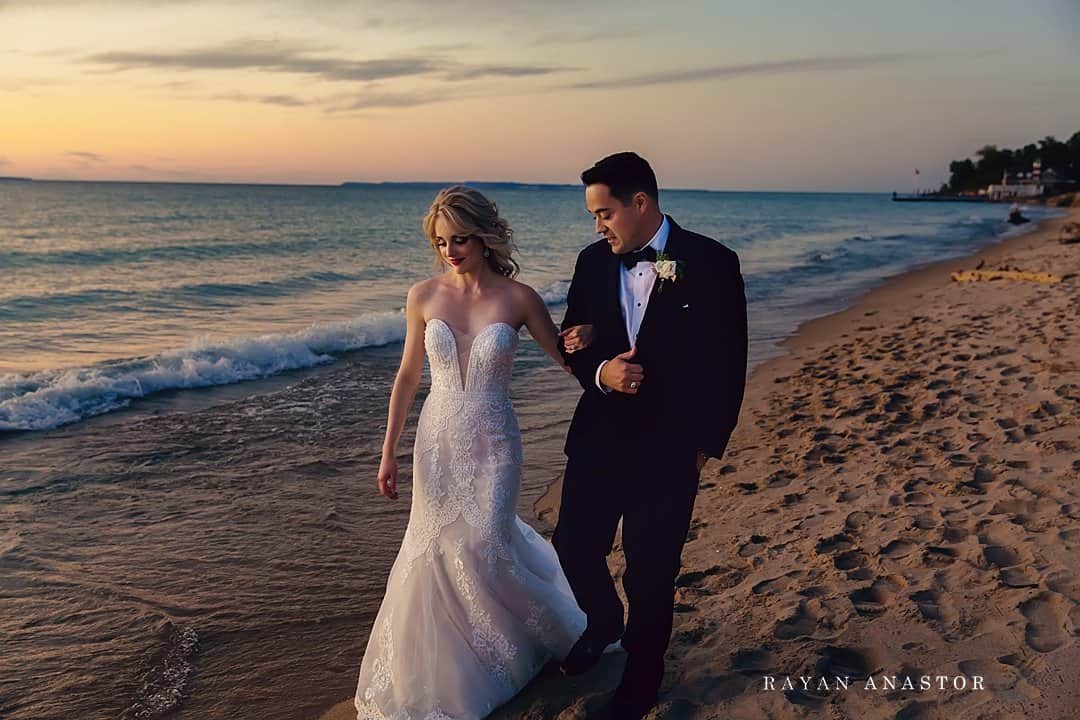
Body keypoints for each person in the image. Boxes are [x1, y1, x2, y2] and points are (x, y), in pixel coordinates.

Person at [353, 186, 594, 720]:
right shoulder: (422, 295)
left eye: (461, 239)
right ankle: (453, 669)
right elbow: (409, 376)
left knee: (488, 544)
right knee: (436, 548)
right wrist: (387, 451)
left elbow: (568, 360)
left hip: (494, 438)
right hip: (436, 438)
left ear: (485, 238)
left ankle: (542, 640)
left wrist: (595, 351)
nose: (451, 250)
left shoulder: (519, 298)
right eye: (441, 241)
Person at [553, 152, 748, 718]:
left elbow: (729, 360)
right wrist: (597, 369)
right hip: (598, 436)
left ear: (641, 203)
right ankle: (603, 621)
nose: (597, 226)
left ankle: (642, 677)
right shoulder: (592, 262)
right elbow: (573, 339)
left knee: (651, 570)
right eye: (593, 215)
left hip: (670, 447)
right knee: (572, 546)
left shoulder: (712, 262)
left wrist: (706, 447)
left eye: (604, 212)